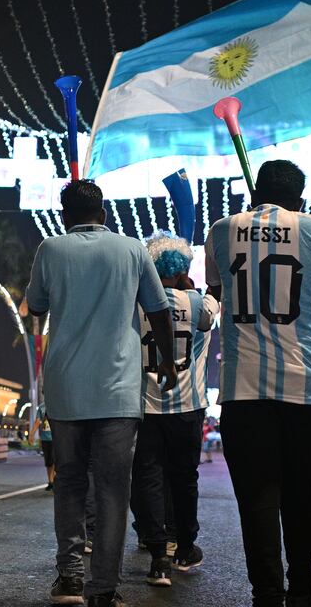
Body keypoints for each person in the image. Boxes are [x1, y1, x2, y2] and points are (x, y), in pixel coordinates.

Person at [26, 179, 178, 607]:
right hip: (117, 390)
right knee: (113, 490)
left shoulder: (50, 250)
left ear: (63, 215)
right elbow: (159, 310)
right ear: (105, 214)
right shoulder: (132, 249)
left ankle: (70, 577)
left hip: (67, 388)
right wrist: (166, 360)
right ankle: (102, 590)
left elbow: (36, 307)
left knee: (70, 484)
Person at [204, 159, 311, 607]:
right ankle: (302, 584)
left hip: (244, 391)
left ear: (254, 193)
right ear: (300, 198)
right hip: (305, 386)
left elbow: (220, 291)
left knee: (257, 496)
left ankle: (266, 591)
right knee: (301, 490)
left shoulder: (222, 230)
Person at [129, 232, 220, 588]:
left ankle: (157, 557)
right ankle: (185, 547)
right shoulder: (195, 303)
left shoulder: (137, 304)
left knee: (148, 479)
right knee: (185, 478)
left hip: (146, 405)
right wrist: (196, 287)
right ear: (182, 268)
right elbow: (213, 305)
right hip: (188, 405)